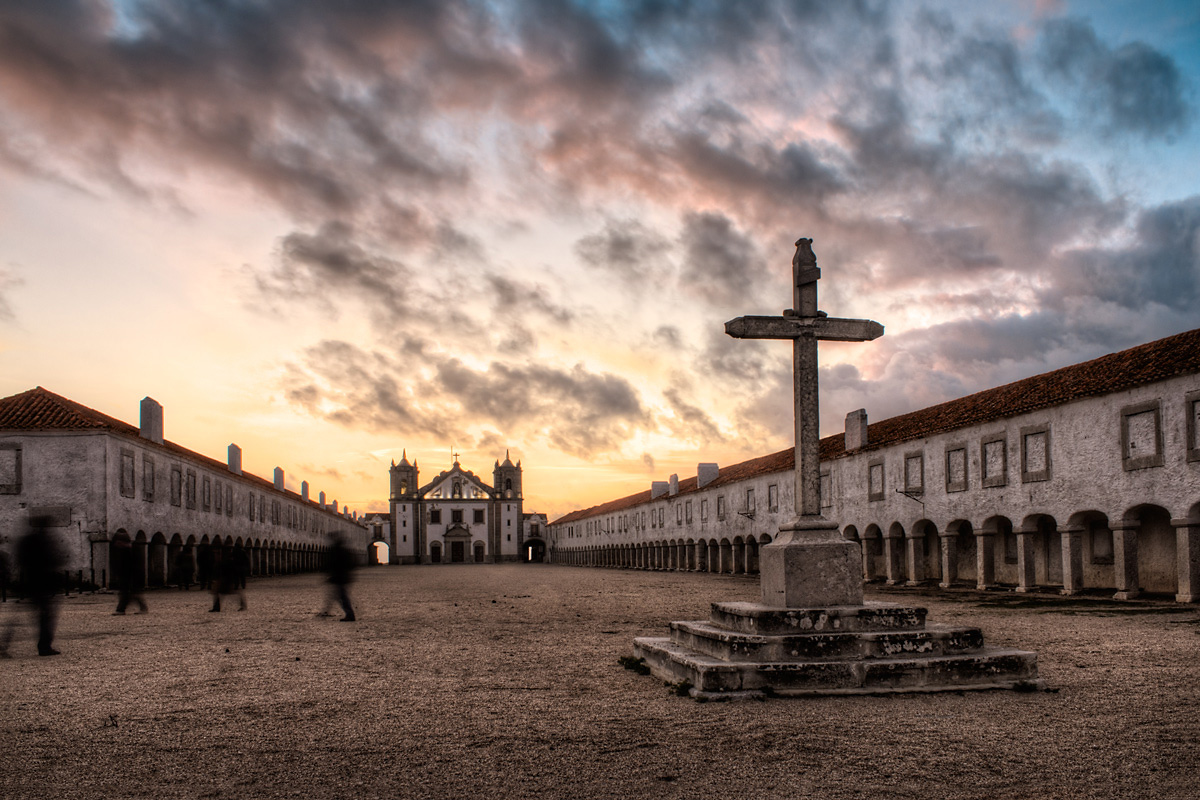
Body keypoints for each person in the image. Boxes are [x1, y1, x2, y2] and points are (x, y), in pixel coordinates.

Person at [4, 516, 65, 656]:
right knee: (45, 616)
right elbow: (51, 561)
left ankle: (4, 645)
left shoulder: (27, 541)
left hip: (28, 582)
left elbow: (20, 559)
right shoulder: (42, 541)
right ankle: (44, 646)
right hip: (40, 584)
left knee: (16, 618)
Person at [321, 534, 355, 622]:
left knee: (341, 596)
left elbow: (331, 563)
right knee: (338, 595)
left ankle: (350, 614)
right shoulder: (343, 550)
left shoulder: (336, 550)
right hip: (341, 577)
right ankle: (326, 611)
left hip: (339, 577)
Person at [111, 535, 148, 615]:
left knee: (129, 593)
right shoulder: (124, 551)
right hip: (126, 576)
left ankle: (121, 609)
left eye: (118, 542)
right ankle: (141, 607)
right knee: (130, 594)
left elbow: (134, 565)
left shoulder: (132, 550)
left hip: (131, 576)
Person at [209, 545, 246, 612]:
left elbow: (229, 570)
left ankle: (242, 604)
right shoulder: (225, 561)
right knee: (219, 592)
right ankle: (216, 607)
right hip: (225, 579)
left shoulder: (226, 561)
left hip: (226, 580)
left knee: (224, 592)